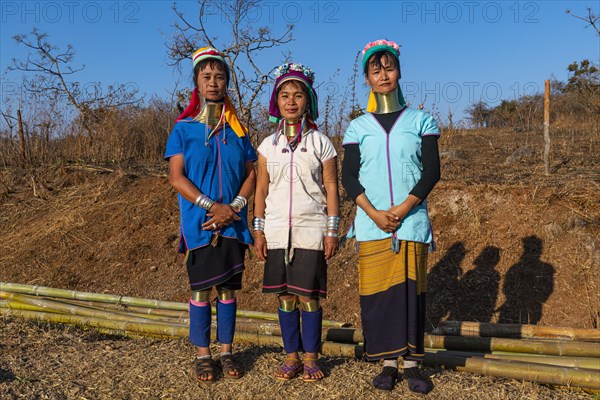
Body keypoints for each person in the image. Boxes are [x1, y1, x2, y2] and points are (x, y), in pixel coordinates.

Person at [341, 39, 441, 393]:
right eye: (375, 70)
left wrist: (400, 210)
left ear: (399, 72)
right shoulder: (357, 127)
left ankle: (413, 365)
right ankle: (386, 363)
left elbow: (431, 172)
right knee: (378, 296)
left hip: (410, 222)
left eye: (389, 68)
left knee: (412, 295)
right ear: (367, 78)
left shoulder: (422, 120)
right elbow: (348, 177)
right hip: (371, 225)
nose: (383, 75)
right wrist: (374, 213)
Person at [164, 47, 257, 383]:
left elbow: (252, 174)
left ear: (227, 82)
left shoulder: (238, 130)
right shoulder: (183, 130)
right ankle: (203, 354)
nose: (214, 82)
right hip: (200, 224)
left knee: (229, 291)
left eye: (220, 76)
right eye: (207, 77)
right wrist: (211, 206)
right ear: (197, 83)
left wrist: (233, 207)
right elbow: (177, 178)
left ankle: (227, 351)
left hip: (232, 223)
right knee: (202, 291)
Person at [253, 63, 339, 382]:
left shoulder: (321, 143)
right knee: (285, 296)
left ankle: (313, 357)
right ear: (277, 102)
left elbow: (331, 187)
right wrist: (258, 230)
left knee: (308, 296)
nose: (291, 101)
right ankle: (291, 356)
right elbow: (261, 188)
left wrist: (332, 231)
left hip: (310, 230)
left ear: (308, 101)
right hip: (275, 232)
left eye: (298, 95)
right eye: (285, 95)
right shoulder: (266, 146)